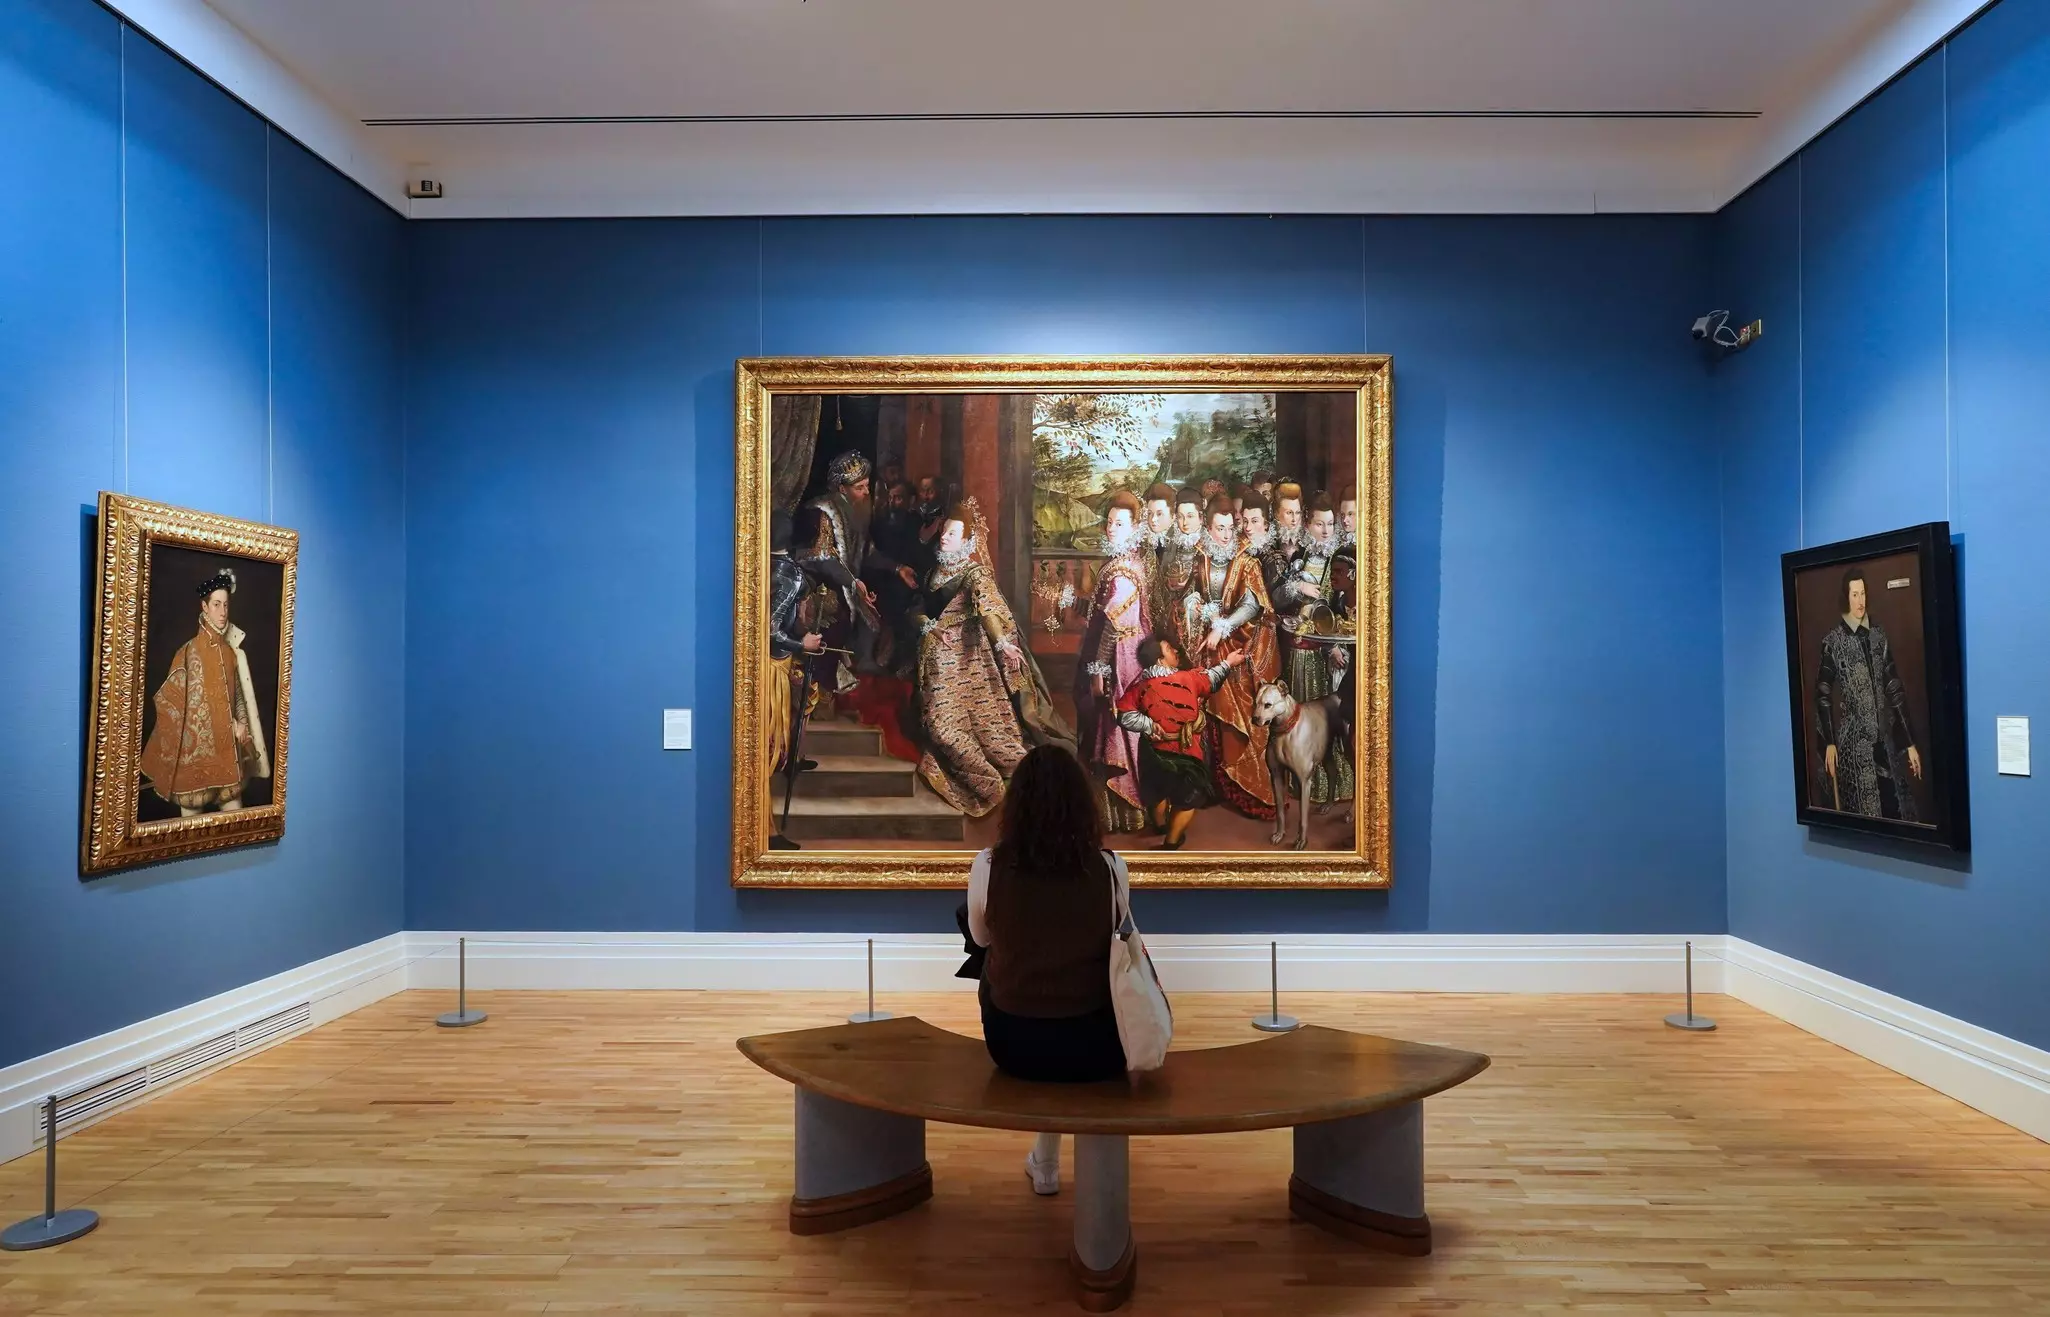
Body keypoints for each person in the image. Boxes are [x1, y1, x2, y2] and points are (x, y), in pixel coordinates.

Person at [965, 744, 1140, 1194]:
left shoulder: (988, 866)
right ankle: (1074, 1172)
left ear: (1016, 803)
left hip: (1015, 1042)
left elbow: (982, 941)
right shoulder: (1110, 867)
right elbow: (1115, 937)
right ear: (1082, 805)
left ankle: (1045, 1161)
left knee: (990, 959)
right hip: (1095, 1043)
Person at [911, 500, 1074, 815]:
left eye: (954, 533)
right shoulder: (933, 570)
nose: (945, 537)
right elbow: (916, 610)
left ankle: (993, 782)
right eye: (944, 532)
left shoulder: (975, 573)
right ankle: (988, 778)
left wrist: (1002, 643)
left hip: (968, 660)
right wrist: (928, 627)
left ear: (968, 540)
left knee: (966, 730)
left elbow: (987, 609)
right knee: (938, 726)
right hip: (936, 654)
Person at [138, 566, 271, 816]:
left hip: (227, 761)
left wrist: (242, 725)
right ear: (204, 607)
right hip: (193, 768)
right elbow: (184, 708)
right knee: (190, 834)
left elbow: (238, 698)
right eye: (217, 604)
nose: (222, 612)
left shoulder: (231, 653)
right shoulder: (187, 653)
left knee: (234, 825)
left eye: (226, 605)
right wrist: (228, 723)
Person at [1813, 568, 1922, 820]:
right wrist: (1829, 740)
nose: (1860, 601)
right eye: (1855, 594)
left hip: (1885, 740)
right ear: (1847, 597)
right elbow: (1823, 693)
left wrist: (1909, 743)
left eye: (1863, 594)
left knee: (1897, 813)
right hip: (1854, 745)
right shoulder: (1834, 642)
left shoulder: (1878, 636)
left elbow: (1894, 687)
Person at [1117, 637, 1245, 848]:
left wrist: (1147, 725)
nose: (1175, 650)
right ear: (1160, 660)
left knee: (1157, 789)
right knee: (1187, 799)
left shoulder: (1139, 687)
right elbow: (1212, 678)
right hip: (1187, 752)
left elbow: (1124, 715)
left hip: (1152, 753)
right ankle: (1172, 841)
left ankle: (1159, 826)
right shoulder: (1188, 678)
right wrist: (1229, 662)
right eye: (1169, 648)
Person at [1073, 490, 1152, 834]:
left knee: (1112, 721)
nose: (1111, 529)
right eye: (1109, 523)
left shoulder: (1122, 571)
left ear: (1134, 528)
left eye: (1120, 524)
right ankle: (1124, 813)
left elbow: (1110, 629)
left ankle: (1121, 811)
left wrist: (1098, 672)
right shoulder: (1130, 561)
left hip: (1121, 656)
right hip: (1131, 649)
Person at [1270, 494, 1355, 808]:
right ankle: (1305, 783)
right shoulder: (1299, 557)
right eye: (1319, 523)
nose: (1325, 529)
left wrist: (1333, 646)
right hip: (1299, 651)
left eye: (1330, 524)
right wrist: (1297, 588)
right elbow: (1277, 596)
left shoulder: (1342, 560)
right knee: (1300, 721)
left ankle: (1335, 789)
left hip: (1328, 655)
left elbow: (1341, 613)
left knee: (1329, 722)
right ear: (1307, 524)